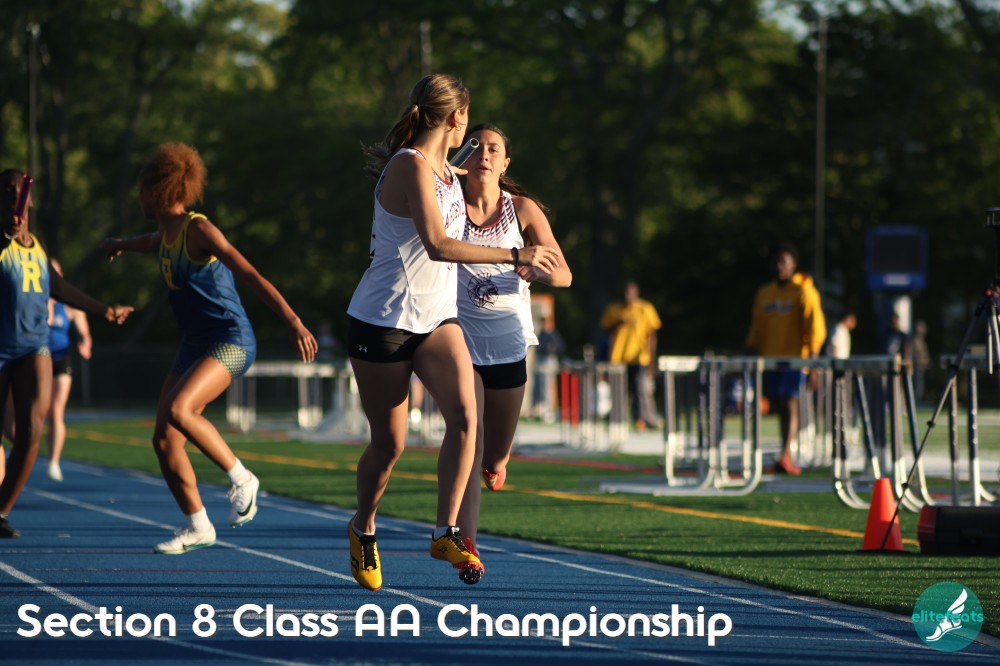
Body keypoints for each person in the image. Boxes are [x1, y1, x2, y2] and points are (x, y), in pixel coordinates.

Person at [345, 75, 561, 591]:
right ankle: (363, 526)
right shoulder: (410, 166)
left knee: (467, 420)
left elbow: (481, 187)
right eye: (468, 121)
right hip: (384, 320)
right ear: (457, 118)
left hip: (437, 320)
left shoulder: (448, 170)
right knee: (389, 445)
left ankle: (446, 532)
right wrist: (516, 253)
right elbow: (439, 245)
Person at [102, 143, 317, 554]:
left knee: (180, 410)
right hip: (195, 344)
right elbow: (150, 241)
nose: (139, 198)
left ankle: (242, 478)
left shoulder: (197, 229)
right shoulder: (166, 234)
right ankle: (199, 525)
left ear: (158, 190)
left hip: (231, 339)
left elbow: (249, 273)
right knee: (164, 439)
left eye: (142, 190)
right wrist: (121, 243)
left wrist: (293, 321)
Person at [451, 122, 573, 564]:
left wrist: (540, 270)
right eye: (476, 147)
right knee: (470, 437)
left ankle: (497, 465)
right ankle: (466, 543)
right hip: (458, 342)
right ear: (463, 158)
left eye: (493, 149)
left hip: (507, 346)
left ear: (505, 163)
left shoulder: (521, 209)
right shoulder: (448, 205)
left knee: (495, 454)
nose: (483, 155)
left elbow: (564, 275)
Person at [0, 169, 133, 538]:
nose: (14, 196)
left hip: (33, 346)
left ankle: (1, 510)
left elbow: (58, 287)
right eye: (6, 191)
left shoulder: (37, 246)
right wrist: (6, 234)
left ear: (30, 200)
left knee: (31, 429)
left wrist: (105, 310)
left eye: (19, 191)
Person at [745, 242, 826, 475]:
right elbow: (757, 327)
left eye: (784, 262)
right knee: (779, 405)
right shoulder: (765, 294)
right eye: (776, 262)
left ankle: (786, 454)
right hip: (771, 359)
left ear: (793, 265)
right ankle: (784, 453)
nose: (779, 266)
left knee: (791, 402)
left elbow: (815, 328)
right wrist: (750, 349)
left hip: (796, 360)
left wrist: (813, 363)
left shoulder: (804, 291)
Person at [45, 258, 93, 482]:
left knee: (56, 412)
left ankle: (53, 462)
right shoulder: (35, 298)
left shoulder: (69, 303)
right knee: (35, 412)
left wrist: (84, 342)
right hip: (37, 359)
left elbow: (84, 331)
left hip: (61, 358)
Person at [600, 281, 662, 431]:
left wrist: (652, 361)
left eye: (631, 293)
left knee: (641, 391)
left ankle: (643, 420)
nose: (628, 296)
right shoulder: (614, 309)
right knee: (619, 391)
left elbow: (652, 335)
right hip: (618, 357)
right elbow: (605, 329)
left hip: (639, 358)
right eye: (626, 292)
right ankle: (617, 420)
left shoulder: (645, 308)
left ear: (636, 293)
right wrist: (617, 323)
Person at [533, 318, 565, 423]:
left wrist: (550, 349)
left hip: (548, 362)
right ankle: (539, 409)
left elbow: (560, 346)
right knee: (538, 386)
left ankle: (547, 410)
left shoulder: (553, 334)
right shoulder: (542, 334)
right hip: (540, 361)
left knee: (546, 386)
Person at [911, 319, 931, 403]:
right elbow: (915, 354)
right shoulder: (915, 341)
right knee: (917, 384)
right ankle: (916, 401)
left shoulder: (922, 340)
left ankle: (918, 400)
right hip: (917, 366)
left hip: (922, 366)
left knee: (920, 384)